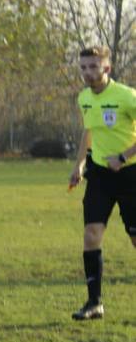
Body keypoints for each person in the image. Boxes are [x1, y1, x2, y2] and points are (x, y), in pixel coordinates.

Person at [68, 45, 136, 321]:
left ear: (107, 68)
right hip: (99, 175)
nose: (87, 72)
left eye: (93, 66)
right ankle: (94, 303)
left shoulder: (127, 96)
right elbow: (89, 131)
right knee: (91, 234)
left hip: (130, 175)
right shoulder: (84, 98)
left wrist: (123, 156)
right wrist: (79, 164)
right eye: (83, 67)